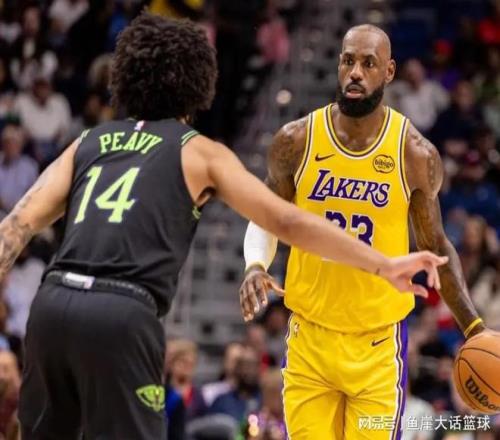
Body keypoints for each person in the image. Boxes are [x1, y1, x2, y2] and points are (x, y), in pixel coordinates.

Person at [0, 15, 448, 440]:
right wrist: (382, 264)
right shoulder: (199, 152)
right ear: (198, 82)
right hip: (121, 310)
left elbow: (16, 225)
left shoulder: (88, 141)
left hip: (53, 304)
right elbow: (285, 219)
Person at [240, 24, 490, 439]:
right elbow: (268, 216)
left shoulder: (414, 153)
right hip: (309, 341)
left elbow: (436, 246)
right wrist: (254, 265)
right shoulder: (296, 140)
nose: (355, 72)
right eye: (348, 61)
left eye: (368, 63)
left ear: (389, 71)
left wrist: (474, 328)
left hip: (376, 350)